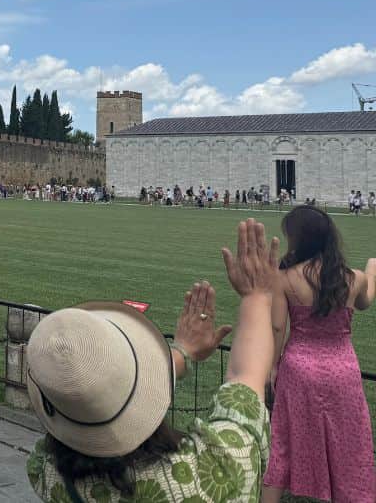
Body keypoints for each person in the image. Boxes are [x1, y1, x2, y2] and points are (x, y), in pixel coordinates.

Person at [26, 219, 277, 501]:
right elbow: (248, 379)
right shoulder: (212, 473)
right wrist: (257, 296)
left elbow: (92, 394)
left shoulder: (46, 474)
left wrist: (182, 352)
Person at [262, 206, 376, 502]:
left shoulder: (285, 278)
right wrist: (372, 268)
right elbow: (365, 302)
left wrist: (272, 367)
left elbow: (277, 328)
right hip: (343, 369)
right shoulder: (354, 278)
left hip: (298, 368)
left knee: (283, 443)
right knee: (350, 444)